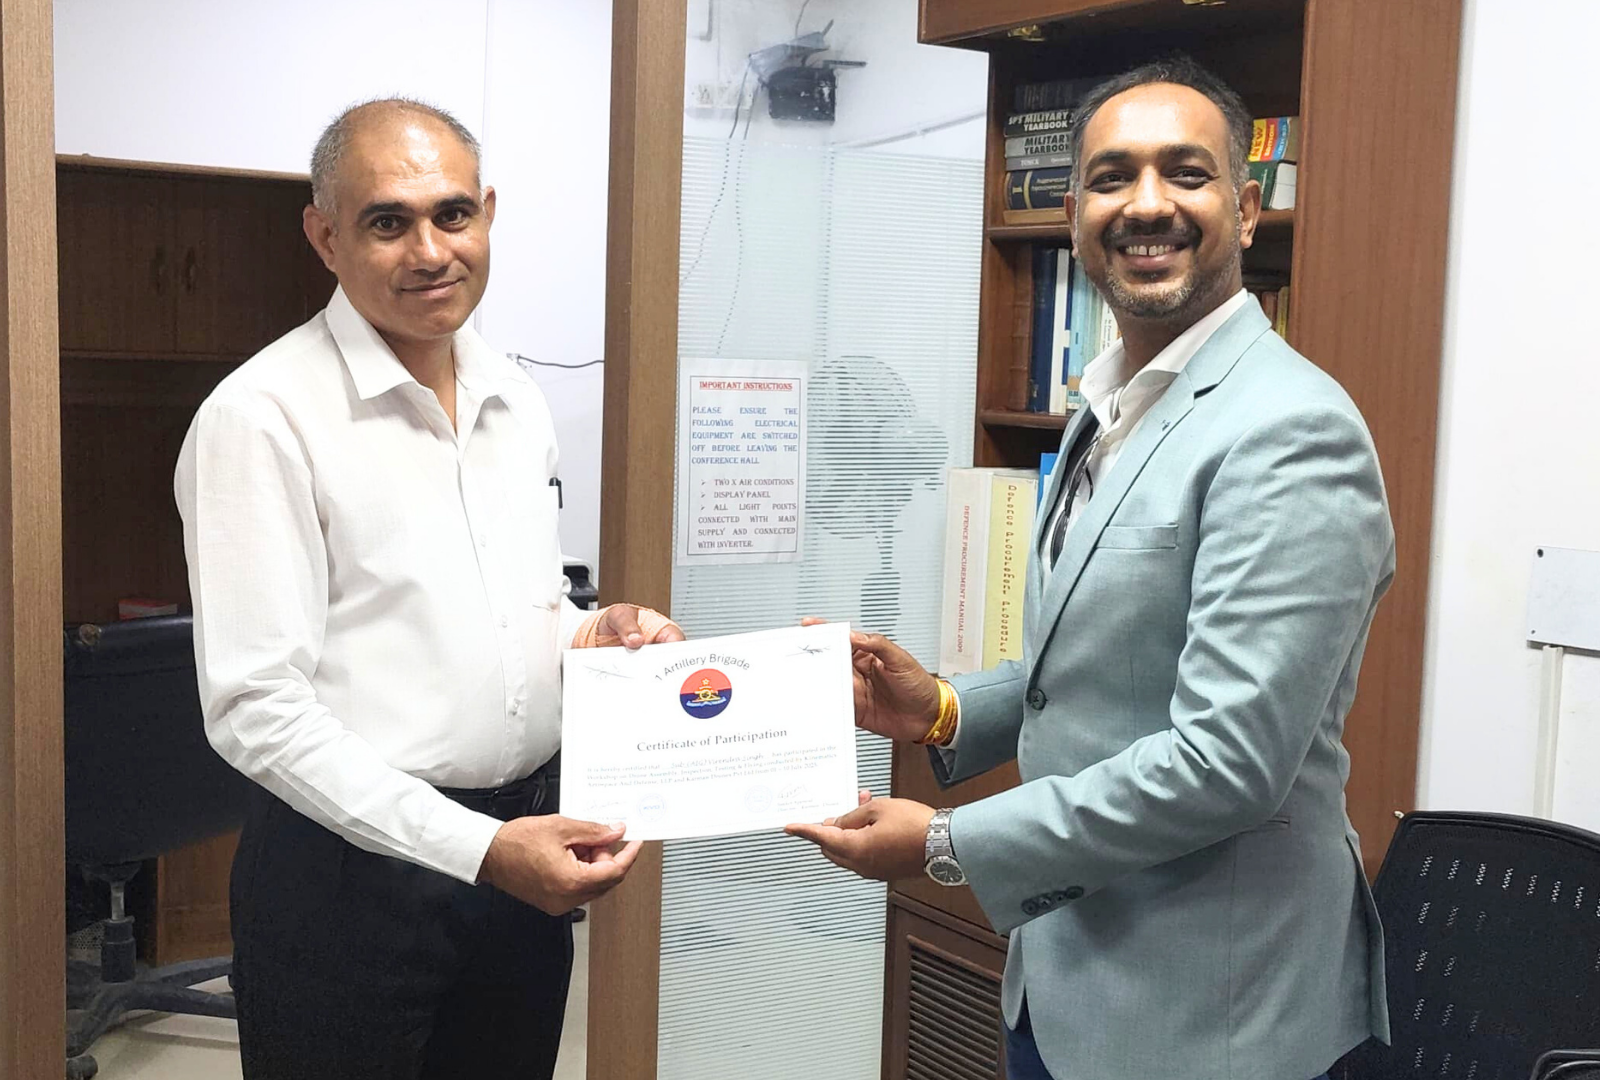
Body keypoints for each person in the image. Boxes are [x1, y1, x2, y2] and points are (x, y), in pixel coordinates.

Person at [788, 57, 1392, 1080]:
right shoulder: (1107, 404)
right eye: (1112, 178)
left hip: (1211, 1014)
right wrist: (941, 710)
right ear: (1072, 216)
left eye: (1185, 173)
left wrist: (946, 843)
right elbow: (1100, 671)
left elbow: (1226, 764)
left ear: (1247, 211)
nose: (1146, 204)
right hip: (1065, 975)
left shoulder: (1290, 431)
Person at [175, 97, 682, 1080]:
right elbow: (255, 709)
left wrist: (594, 633)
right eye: (387, 222)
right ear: (325, 237)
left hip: (521, 857)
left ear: (487, 213)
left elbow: (512, 611)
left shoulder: (513, 397)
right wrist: (479, 850)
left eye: (452, 214)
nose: (430, 251)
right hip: (347, 880)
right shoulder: (262, 416)